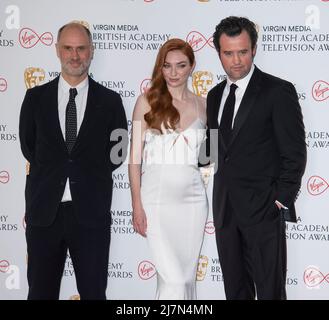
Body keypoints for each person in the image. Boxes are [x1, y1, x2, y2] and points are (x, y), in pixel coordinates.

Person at [19, 22, 128, 300]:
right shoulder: (34, 99)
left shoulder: (111, 101)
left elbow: (118, 153)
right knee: (40, 293)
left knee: (93, 293)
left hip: (91, 215)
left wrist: (87, 171)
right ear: (57, 50)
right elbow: (29, 147)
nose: (75, 55)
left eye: (81, 48)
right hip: (44, 215)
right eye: (68, 48)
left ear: (91, 51)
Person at [207, 16, 307, 300]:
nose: (236, 60)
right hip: (225, 210)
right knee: (235, 291)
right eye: (229, 53)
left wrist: (279, 200)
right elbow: (212, 150)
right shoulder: (214, 96)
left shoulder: (277, 91)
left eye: (243, 51)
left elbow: (295, 153)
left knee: (270, 292)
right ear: (219, 54)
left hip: (264, 211)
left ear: (254, 49)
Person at [129, 38, 208, 300]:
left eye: (181, 65)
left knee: (185, 281)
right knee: (173, 280)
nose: (173, 73)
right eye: (167, 66)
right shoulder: (146, 102)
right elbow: (134, 160)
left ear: (192, 66)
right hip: (157, 202)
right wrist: (137, 205)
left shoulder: (204, 106)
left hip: (194, 203)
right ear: (160, 68)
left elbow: (210, 157)